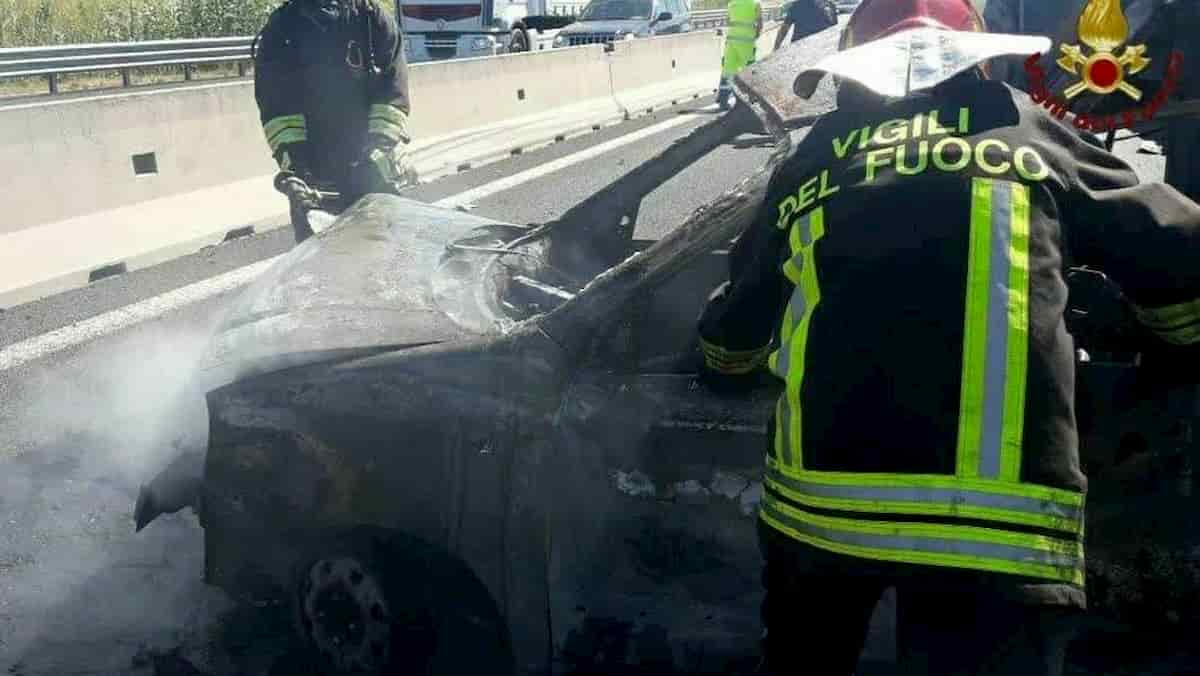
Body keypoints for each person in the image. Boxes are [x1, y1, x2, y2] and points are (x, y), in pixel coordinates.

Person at [697, 0, 1200, 673]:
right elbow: (1176, 254)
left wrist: (721, 368)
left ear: (852, 68)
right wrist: (1173, 345)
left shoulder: (814, 158)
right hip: (997, 529)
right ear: (979, 58)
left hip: (819, 517)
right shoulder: (1025, 130)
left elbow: (735, 334)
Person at [253, 0, 415, 243]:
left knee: (382, 260)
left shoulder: (372, 20)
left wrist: (378, 151)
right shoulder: (281, 29)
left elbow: (393, 93)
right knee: (319, 269)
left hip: (371, 170)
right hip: (314, 181)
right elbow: (277, 109)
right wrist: (297, 168)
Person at [717, 0, 763, 110]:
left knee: (728, 71)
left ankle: (723, 100)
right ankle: (752, 99)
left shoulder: (732, 4)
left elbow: (729, 22)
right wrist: (756, 34)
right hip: (746, 43)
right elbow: (760, 24)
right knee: (749, 70)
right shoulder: (756, 4)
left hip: (731, 42)